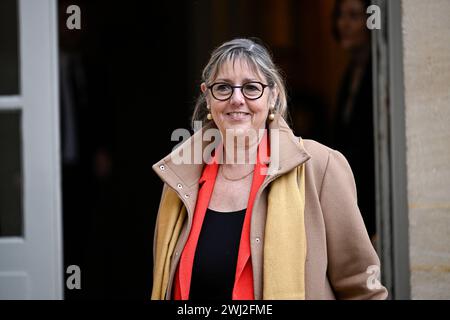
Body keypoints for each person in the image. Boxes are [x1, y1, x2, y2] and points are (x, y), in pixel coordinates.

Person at [151, 38, 387, 300]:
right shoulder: (179, 177)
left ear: (273, 96)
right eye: (223, 88)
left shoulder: (319, 166)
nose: (236, 99)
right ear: (207, 97)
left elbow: (363, 288)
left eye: (251, 88)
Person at [331, 0, 377, 243]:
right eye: (340, 15)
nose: (344, 24)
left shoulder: (379, 73)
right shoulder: (351, 72)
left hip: (375, 194)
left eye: (353, 16)